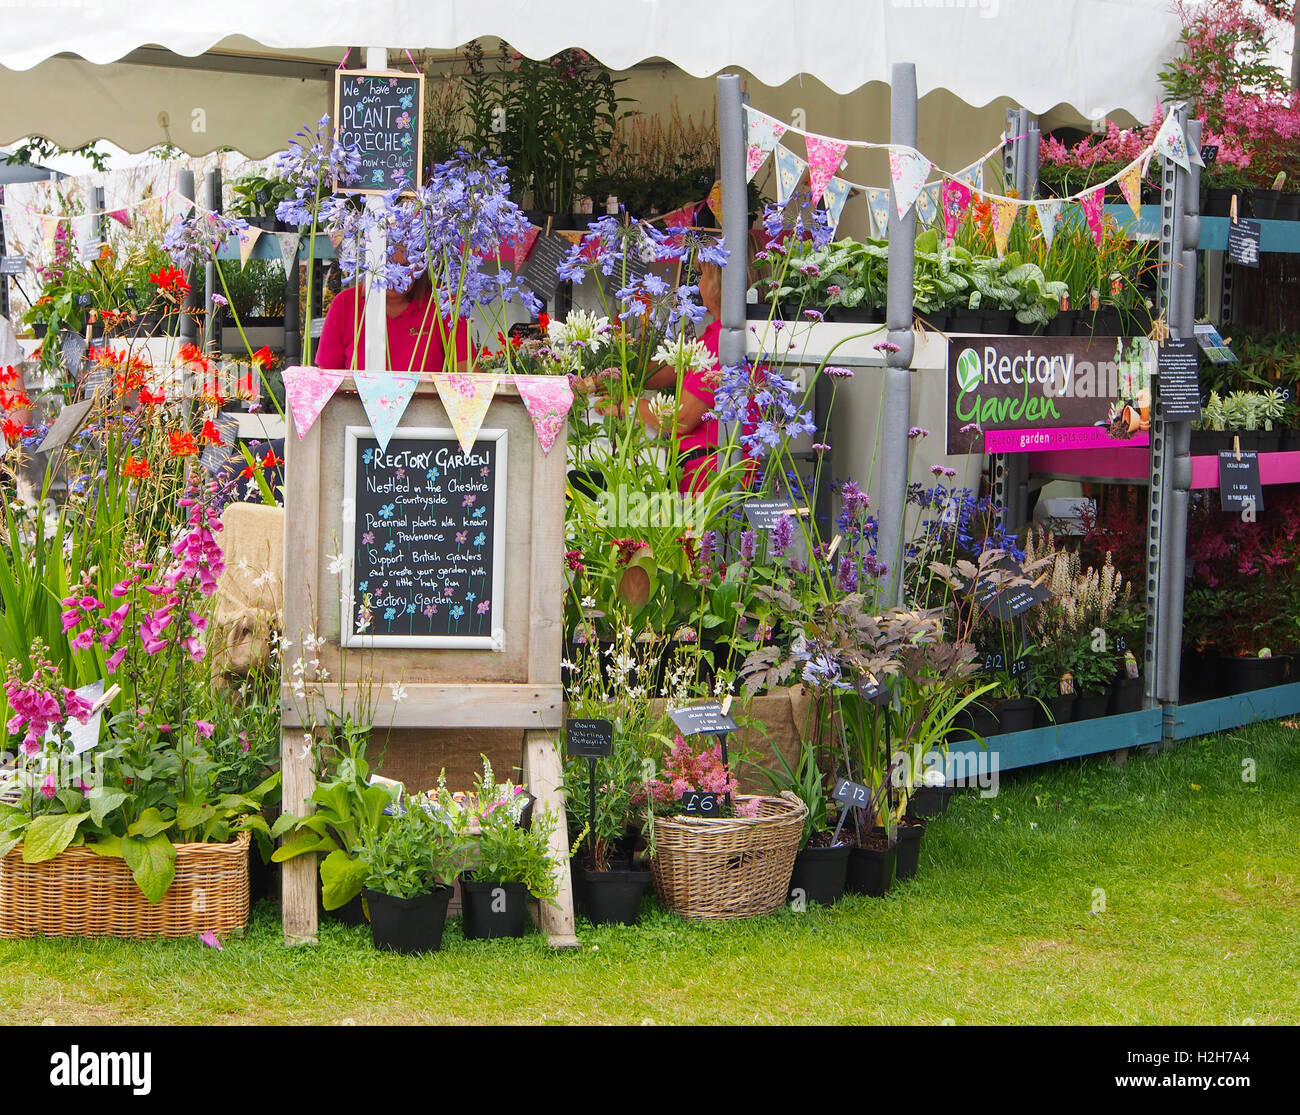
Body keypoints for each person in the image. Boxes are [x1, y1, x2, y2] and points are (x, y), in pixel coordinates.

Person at [606, 261, 726, 494]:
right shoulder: (716, 334)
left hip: (706, 473)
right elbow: (670, 372)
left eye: (702, 277)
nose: (698, 284)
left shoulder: (721, 340)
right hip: (702, 468)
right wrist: (620, 373)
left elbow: (680, 418)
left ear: (717, 284)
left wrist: (625, 404)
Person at [315, 264, 472, 373]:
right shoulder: (345, 304)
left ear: (421, 264)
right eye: (387, 263)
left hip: (428, 416)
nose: (396, 273)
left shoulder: (444, 303)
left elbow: (467, 377)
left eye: (405, 264)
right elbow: (327, 381)